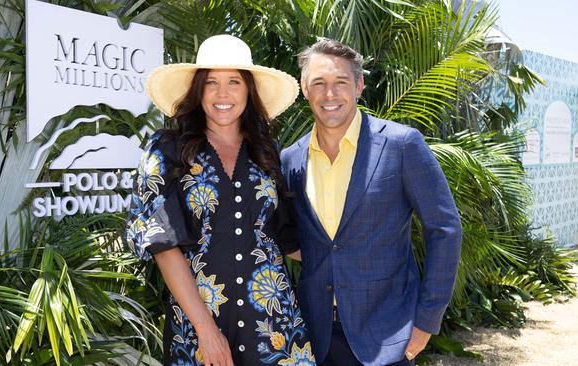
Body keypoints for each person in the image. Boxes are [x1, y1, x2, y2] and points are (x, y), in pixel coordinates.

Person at [126, 34, 315, 366]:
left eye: (234, 82)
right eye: (211, 82)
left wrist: (354, 264)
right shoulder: (167, 149)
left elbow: (286, 238)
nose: (222, 93)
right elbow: (163, 245)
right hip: (199, 329)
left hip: (274, 326)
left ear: (248, 91)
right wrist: (206, 330)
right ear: (199, 91)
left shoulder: (266, 153)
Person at [281, 39, 462, 366]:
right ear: (305, 89)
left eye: (341, 82)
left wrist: (425, 323)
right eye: (319, 83)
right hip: (314, 336)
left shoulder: (402, 145)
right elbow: (287, 235)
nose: (330, 93)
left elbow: (444, 229)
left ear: (359, 85)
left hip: (387, 336)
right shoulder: (290, 159)